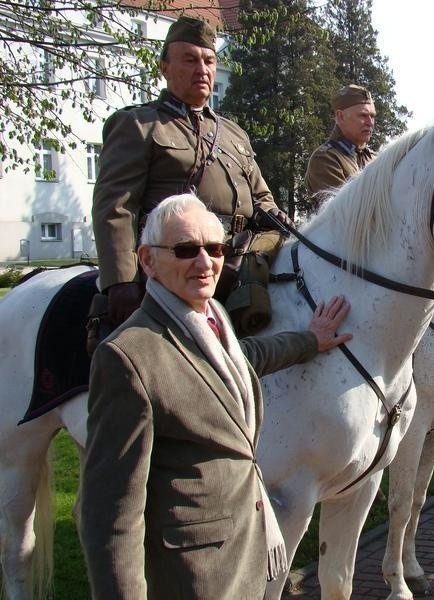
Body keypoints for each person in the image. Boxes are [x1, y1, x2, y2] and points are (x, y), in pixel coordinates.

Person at [80, 194, 352, 599]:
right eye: (186, 249)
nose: (205, 263)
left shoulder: (211, 318)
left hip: (245, 548)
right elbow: (110, 514)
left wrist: (309, 340)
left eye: (215, 248)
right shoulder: (127, 357)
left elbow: (242, 360)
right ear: (147, 260)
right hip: (193, 573)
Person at [92, 16, 290, 328]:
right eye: (190, 59)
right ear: (164, 67)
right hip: (176, 262)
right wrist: (121, 280)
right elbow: (115, 205)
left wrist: (276, 216)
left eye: (209, 61)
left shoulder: (234, 133)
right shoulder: (139, 125)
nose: (202, 69)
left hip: (235, 259)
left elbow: (260, 197)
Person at [304, 84, 376, 211]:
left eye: (372, 116)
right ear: (341, 116)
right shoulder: (325, 159)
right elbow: (344, 213)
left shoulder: (374, 158)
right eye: (363, 115)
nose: (370, 123)